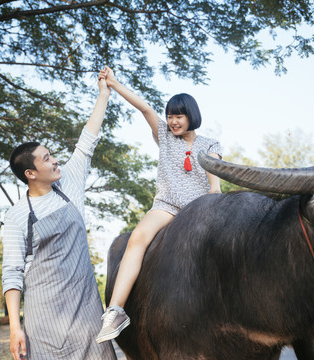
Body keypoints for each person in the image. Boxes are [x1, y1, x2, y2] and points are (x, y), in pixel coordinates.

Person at [96, 66, 222, 343]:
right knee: (137, 239)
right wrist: (114, 84)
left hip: (196, 210)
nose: (173, 121)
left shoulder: (210, 143)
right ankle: (116, 311)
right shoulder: (164, 135)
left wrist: (214, 195)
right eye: (170, 116)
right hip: (166, 206)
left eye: (179, 116)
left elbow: (215, 178)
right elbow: (144, 109)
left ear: (191, 116)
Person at [2, 77, 117, 360]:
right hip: (43, 325)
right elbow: (12, 273)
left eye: (51, 155)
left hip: (87, 315)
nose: (55, 161)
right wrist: (15, 328)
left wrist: (103, 94)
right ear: (30, 173)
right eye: (46, 158)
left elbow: (88, 139)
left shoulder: (70, 183)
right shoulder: (17, 215)